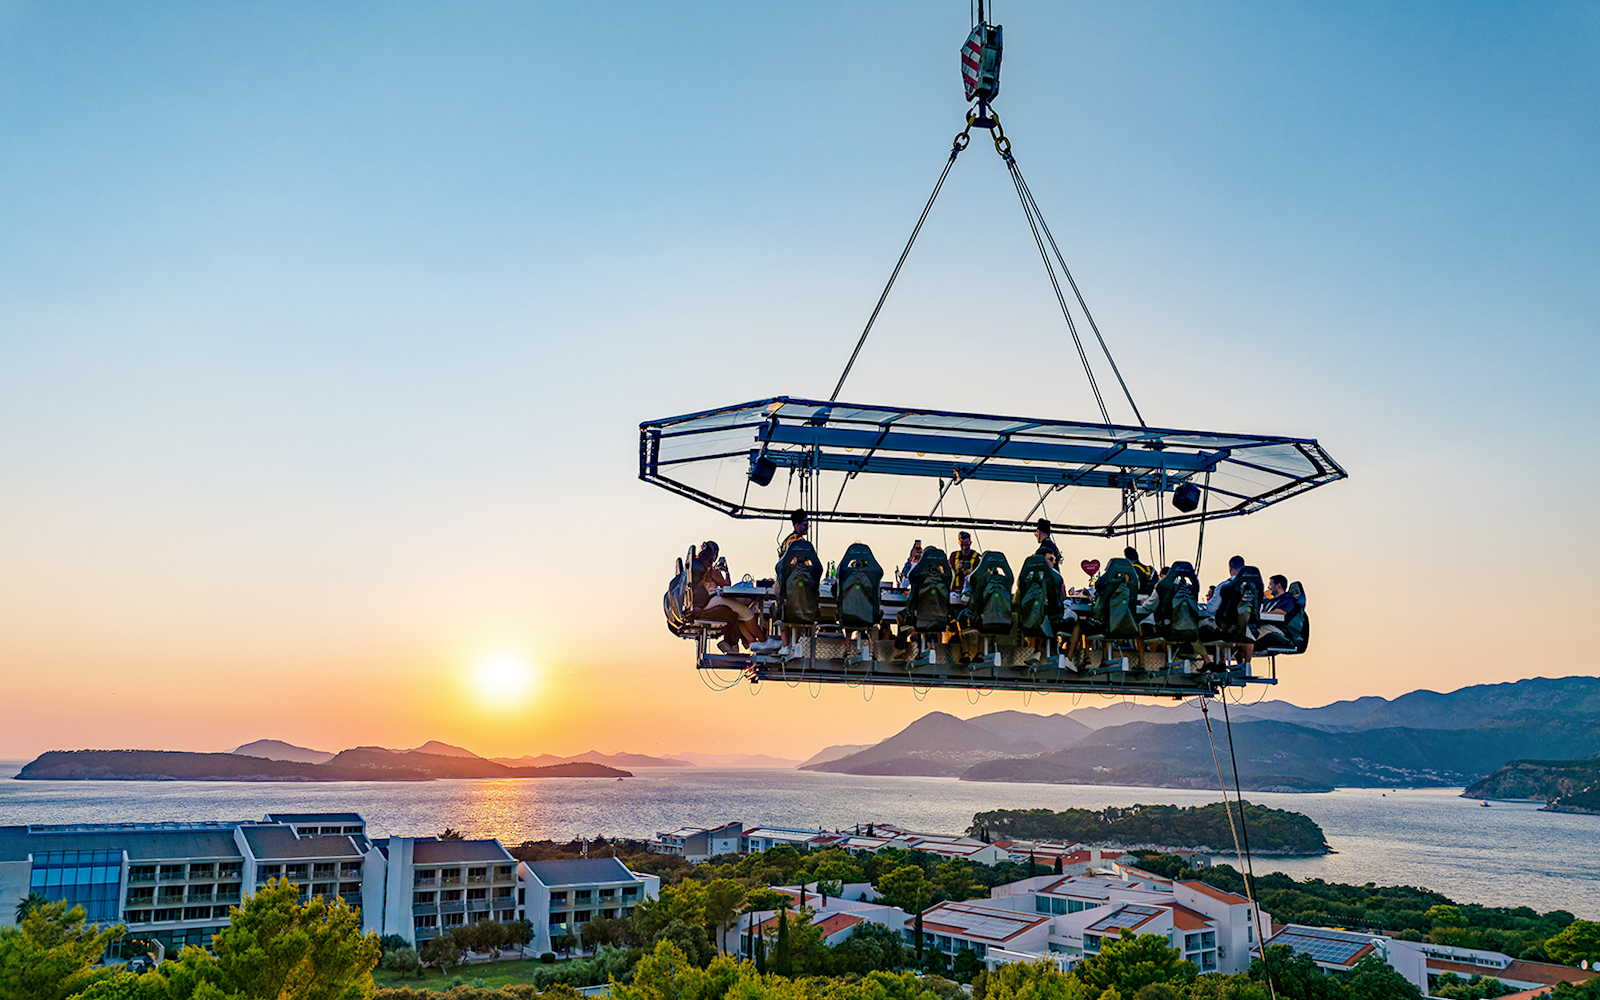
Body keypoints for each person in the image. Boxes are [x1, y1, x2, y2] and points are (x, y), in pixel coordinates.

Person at [692, 542, 769, 654]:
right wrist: (726, 571)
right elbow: (727, 586)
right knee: (747, 612)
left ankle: (753, 642)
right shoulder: (712, 571)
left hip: (702, 603)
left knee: (739, 614)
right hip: (712, 601)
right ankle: (764, 641)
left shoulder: (697, 566)